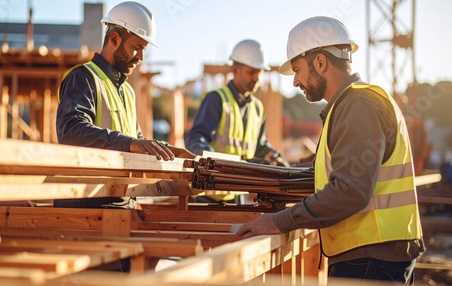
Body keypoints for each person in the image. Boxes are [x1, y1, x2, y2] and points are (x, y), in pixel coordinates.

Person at [235, 16, 425, 285]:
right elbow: (323, 177)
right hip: (374, 255)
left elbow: (349, 190)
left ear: (320, 62)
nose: (295, 82)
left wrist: (281, 220)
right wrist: (269, 185)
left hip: (371, 259)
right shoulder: (350, 105)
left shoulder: (358, 105)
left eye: (298, 70)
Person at [55, 1, 191, 209]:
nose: (141, 57)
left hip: (122, 200)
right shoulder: (83, 78)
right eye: (137, 48)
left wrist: (174, 152)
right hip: (86, 204)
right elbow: (71, 131)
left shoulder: (126, 91)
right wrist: (128, 143)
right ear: (115, 39)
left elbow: (135, 141)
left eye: (144, 50)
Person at [184, 39, 288, 203]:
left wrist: (274, 157)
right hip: (209, 195)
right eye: (251, 72)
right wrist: (211, 163)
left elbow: (259, 146)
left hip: (238, 194)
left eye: (259, 73)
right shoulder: (217, 99)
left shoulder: (257, 108)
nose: (256, 78)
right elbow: (196, 138)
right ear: (235, 70)